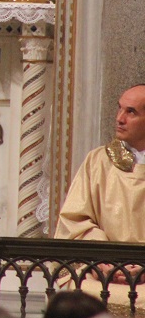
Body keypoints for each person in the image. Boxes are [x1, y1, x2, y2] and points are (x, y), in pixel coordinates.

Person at [55, 84, 145, 243]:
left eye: (131, 112)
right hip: (105, 258)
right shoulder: (98, 162)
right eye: (120, 108)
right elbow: (73, 223)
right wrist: (105, 254)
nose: (119, 119)